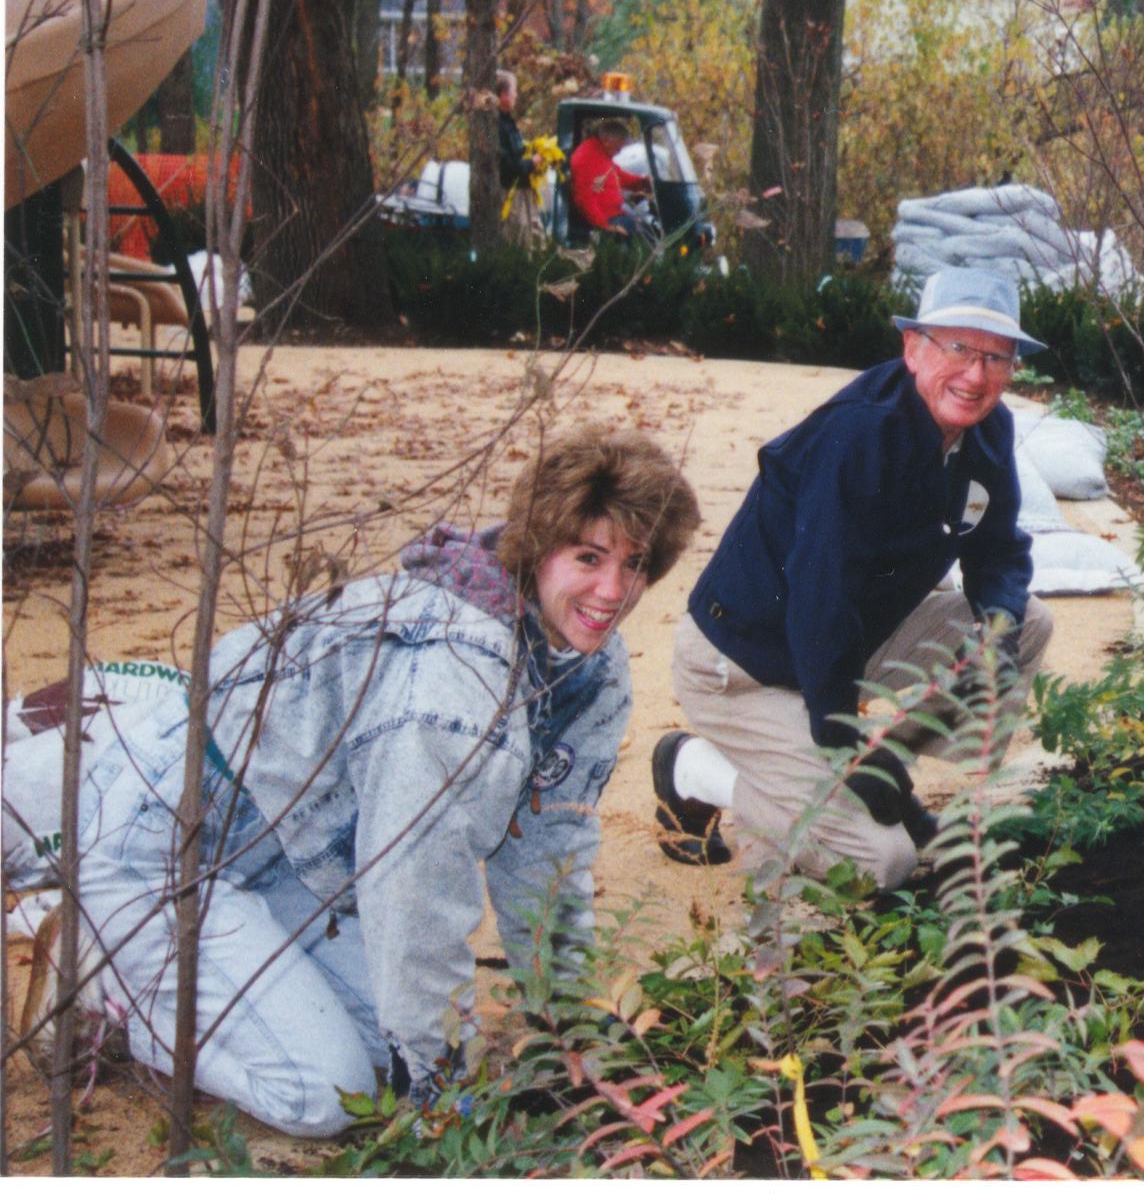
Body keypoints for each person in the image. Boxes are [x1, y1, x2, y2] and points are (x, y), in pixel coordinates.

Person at [8, 428, 701, 1137]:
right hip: (167, 849)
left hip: (292, 867)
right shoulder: (460, 683)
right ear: (538, 546)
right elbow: (415, 892)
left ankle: (202, 971)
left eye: (635, 562)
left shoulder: (590, 668)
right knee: (325, 1093)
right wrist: (442, 1093)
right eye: (588, 556)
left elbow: (551, 854)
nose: (612, 590)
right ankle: (102, 978)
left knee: (381, 1044)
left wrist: (571, 1039)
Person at [655, 267, 1057, 887]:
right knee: (882, 862)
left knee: (1024, 622)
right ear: (913, 349)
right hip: (745, 667)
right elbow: (818, 603)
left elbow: (998, 553)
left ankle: (873, 767)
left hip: (848, 644)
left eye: (995, 358)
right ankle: (695, 770)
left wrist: (995, 648)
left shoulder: (987, 432)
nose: (975, 376)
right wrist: (847, 742)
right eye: (957, 349)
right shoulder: (856, 437)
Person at [567, 116, 656, 242]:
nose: (619, 152)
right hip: (606, 221)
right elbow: (584, 198)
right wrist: (606, 226)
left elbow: (618, 176)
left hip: (616, 214)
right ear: (607, 140)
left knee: (648, 226)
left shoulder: (601, 153)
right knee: (648, 233)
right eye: (618, 148)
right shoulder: (586, 157)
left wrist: (643, 182)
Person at [495, 69, 542, 240]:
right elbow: (506, 164)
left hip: (521, 191)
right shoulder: (497, 124)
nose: (516, 95)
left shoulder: (508, 121)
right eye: (513, 90)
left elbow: (515, 152)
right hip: (508, 194)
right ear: (503, 95)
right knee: (516, 237)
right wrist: (532, 163)